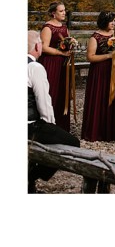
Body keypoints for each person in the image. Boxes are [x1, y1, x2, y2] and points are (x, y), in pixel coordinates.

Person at [28, 30, 81, 192]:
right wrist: (50, 125)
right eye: (41, 44)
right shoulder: (34, 67)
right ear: (37, 46)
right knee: (73, 143)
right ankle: (29, 177)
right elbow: (44, 101)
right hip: (30, 126)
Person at [81, 10, 115, 142]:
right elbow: (90, 57)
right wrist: (108, 56)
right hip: (100, 71)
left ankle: (111, 132)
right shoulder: (95, 37)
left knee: (113, 98)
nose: (113, 23)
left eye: (114, 21)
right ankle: (96, 131)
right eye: (111, 21)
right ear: (104, 22)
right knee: (99, 97)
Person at [38, 1, 72, 132]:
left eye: (64, 10)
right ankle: (47, 124)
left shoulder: (64, 27)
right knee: (50, 91)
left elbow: (67, 41)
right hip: (50, 63)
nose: (64, 13)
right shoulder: (47, 27)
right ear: (53, 13)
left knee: (62, 91)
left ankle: (61, 125)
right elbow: (44, 48)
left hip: (62, 64)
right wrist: (60, 52)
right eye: (61, 11)